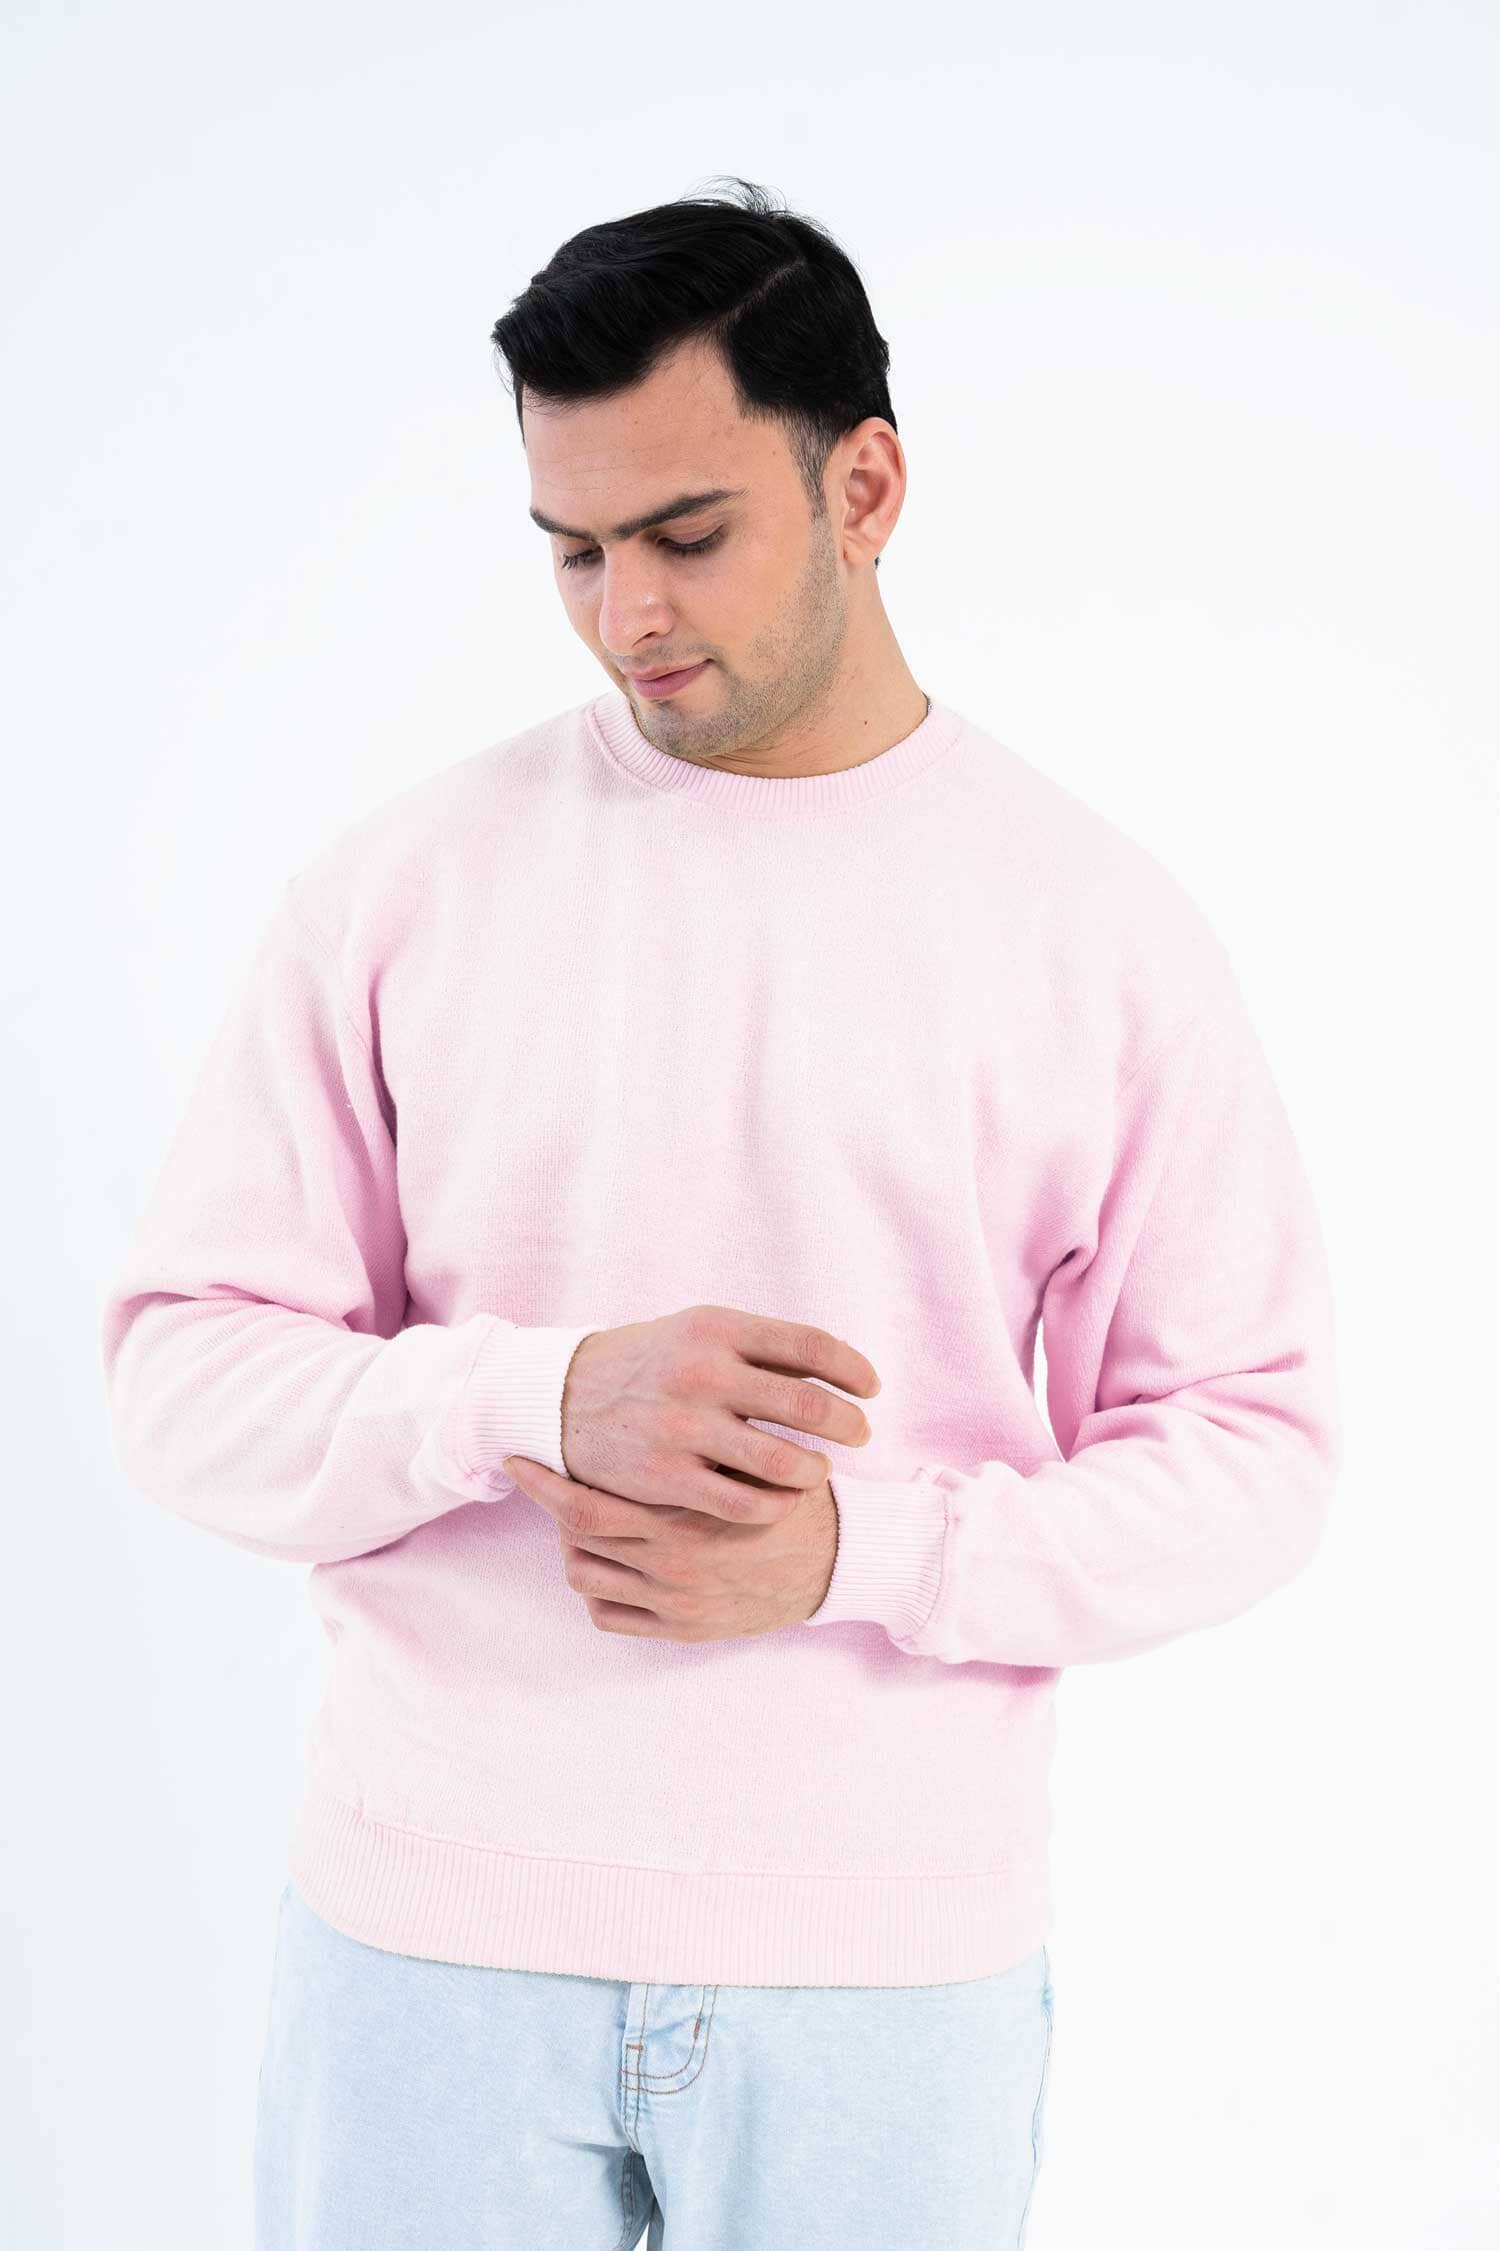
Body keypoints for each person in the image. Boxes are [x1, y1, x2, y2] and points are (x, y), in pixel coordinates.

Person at [99, 175, 1341, 2250]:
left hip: (886, 1969)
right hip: (429, 1943)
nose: (628, 618)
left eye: (688, 536)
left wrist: (864, 1549)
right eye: (573, 550)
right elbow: (180, 1376)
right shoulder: (404, 889)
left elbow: (1255, 1447)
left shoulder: (1093, 931)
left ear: (867, 487)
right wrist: (530, 1393)